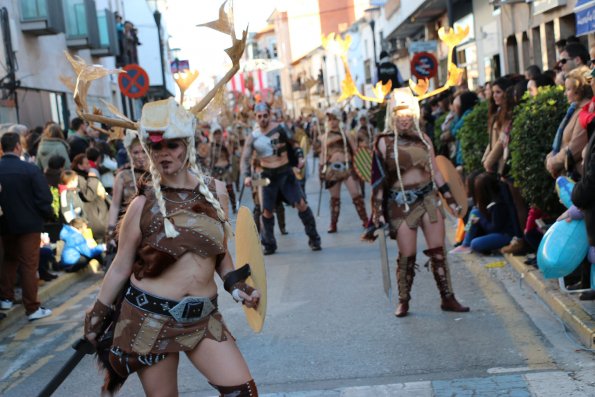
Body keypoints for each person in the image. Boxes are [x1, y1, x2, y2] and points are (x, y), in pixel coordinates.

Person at [84, 98, 260, 395]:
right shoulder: (142, 204)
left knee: (243, 392)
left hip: (203, 319)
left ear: (187, 146)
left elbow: (220, 254)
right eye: (156, 147)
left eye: (172, 146)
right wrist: (97, 315)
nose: (164, 154)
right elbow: (121, 266)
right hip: (151, 320)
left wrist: (236, 286)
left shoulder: (216, 191)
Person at [364, 88, 469, 318]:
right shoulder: (383, 142)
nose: (404, 118)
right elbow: (378, 181)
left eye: (408, 113)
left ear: (414, 114)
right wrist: (377, 214)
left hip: (428, 199)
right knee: (408, 253)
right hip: (400, 204)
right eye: (399, 113)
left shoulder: (424, 139)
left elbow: (437, 174)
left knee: (438, 250)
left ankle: (447, 297)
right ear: (393, 114)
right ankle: (404, 300)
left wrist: (451, 200)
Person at [240, 102, 321, 254]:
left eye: (265, 115)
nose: (263, 119)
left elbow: (295, 143)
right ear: (256, 117)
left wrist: (299, 157)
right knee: (266, 211)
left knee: (301, 204)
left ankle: (314, 238)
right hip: (266, 176)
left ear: (269, 115)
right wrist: (246, 176)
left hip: (285, 174)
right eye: (259, 116)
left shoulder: (281, 128)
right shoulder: (253, 137)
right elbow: (245, 158)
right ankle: (269, 244)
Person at [0, 132, 54, 321]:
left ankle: (6, 298)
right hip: (29, 224)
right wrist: (47, 215)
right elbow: (44, 198)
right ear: (17, 147)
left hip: (4, 224)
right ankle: (32, 307)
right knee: (29, 265)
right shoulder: (29, 169)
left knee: (9, 259)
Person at [318, 107, 368, 233]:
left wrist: (360, 166)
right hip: (331, 169)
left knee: (356, 195)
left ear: (338, 119)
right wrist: (321, 170)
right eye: (330, 119)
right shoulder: (324, 137)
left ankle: (365, 220)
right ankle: (333, 224)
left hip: (346, 167)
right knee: (335, 199)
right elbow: (323, 154)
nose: (332, 122)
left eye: (334, 119)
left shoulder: (345, 134)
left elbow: (355, 150)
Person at [450, 173, 514, 254]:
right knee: (474, 212)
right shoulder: (490, 201)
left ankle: (468, 243)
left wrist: (480, 221)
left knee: (475, 243)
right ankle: (465, 243)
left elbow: (495, 228)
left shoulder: (498, 205)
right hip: (495, 231)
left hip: (504, 235)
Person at [546, 68, 591, 179]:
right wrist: (550, 158)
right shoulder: (574, 109)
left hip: (577, 177)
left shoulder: (585, 111)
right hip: (567, 174)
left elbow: (574, 149)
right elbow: (563, 142)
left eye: (568, 89)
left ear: (579, 90)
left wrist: (552, 162)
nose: (565, 94)